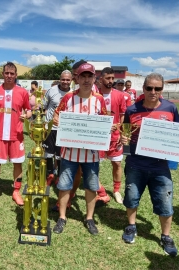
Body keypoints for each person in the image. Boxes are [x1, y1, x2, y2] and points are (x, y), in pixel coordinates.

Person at [120, 73, 179, 257]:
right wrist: (124, 141)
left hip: (160, 166)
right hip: (136, 163)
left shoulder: (171, 108)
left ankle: (166, 236)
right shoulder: (132, 110)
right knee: (131, 197)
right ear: (143, 89)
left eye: (158, 88)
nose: (153, 92)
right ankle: (131, 226)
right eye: (149, 88)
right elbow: (126, 135)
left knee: (165, 201)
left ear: (162, 90)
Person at [52, 63, 107, 235]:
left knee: (91, 187)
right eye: (82, 76)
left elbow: (105, 120)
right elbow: (56, 115)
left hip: (91, 154)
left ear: (94, 78)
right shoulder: (68, 97)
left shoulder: (99, 99)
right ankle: (62, 217)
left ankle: (89, 218)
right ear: (77, 78)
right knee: (64, 185)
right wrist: (57, 121)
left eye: (89, 76)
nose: (86, 80)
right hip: (69, 151)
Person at [0, 62, 32, 206]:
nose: (9, 76)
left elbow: (29, 110)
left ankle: (16, 191)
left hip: (16, 134)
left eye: (12, 74)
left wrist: (27, 116)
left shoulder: (23, 92)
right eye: (7, 73)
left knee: (18, 163)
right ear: (3, 74)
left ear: (16, 75)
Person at [98, 67, 127, 204]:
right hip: (98, 137)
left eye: (112, 78)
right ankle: (98, 190)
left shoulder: (119, 95)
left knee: (116, 163)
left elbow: (122, 116)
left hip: (114, 137)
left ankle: (116, 190)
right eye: (108, 78)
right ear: (101, 78)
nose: (111, 81)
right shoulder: (94, 94)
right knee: (93, 164)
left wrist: (121, 133)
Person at [42, 70, 72, 186]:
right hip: (50, 128)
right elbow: (43, 106)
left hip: (64, 130)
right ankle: (50, 174)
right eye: (63, 79)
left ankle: (59, 175)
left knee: (61, 155)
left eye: (67, 80)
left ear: (71, 80)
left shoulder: (74, 93)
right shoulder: (51, 90)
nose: (65, 82)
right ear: (60, 79)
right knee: (48, 153)